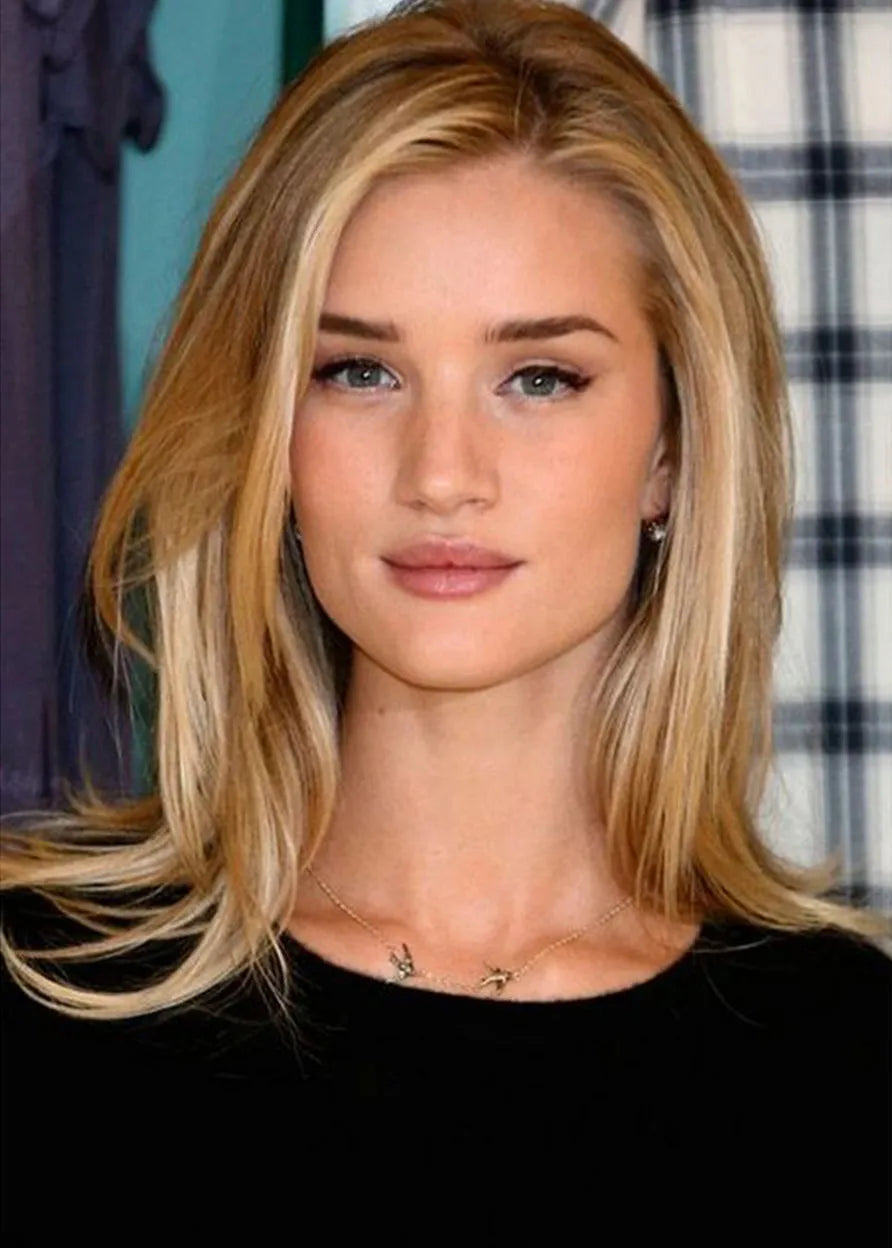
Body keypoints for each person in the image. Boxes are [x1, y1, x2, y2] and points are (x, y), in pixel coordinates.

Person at [2, 0, 889, 1238]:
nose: (441, 474)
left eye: (539, 378)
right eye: (359, 371)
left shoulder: (847, 1053)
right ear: (267, 433)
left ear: (671, 452)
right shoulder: (46, 987)